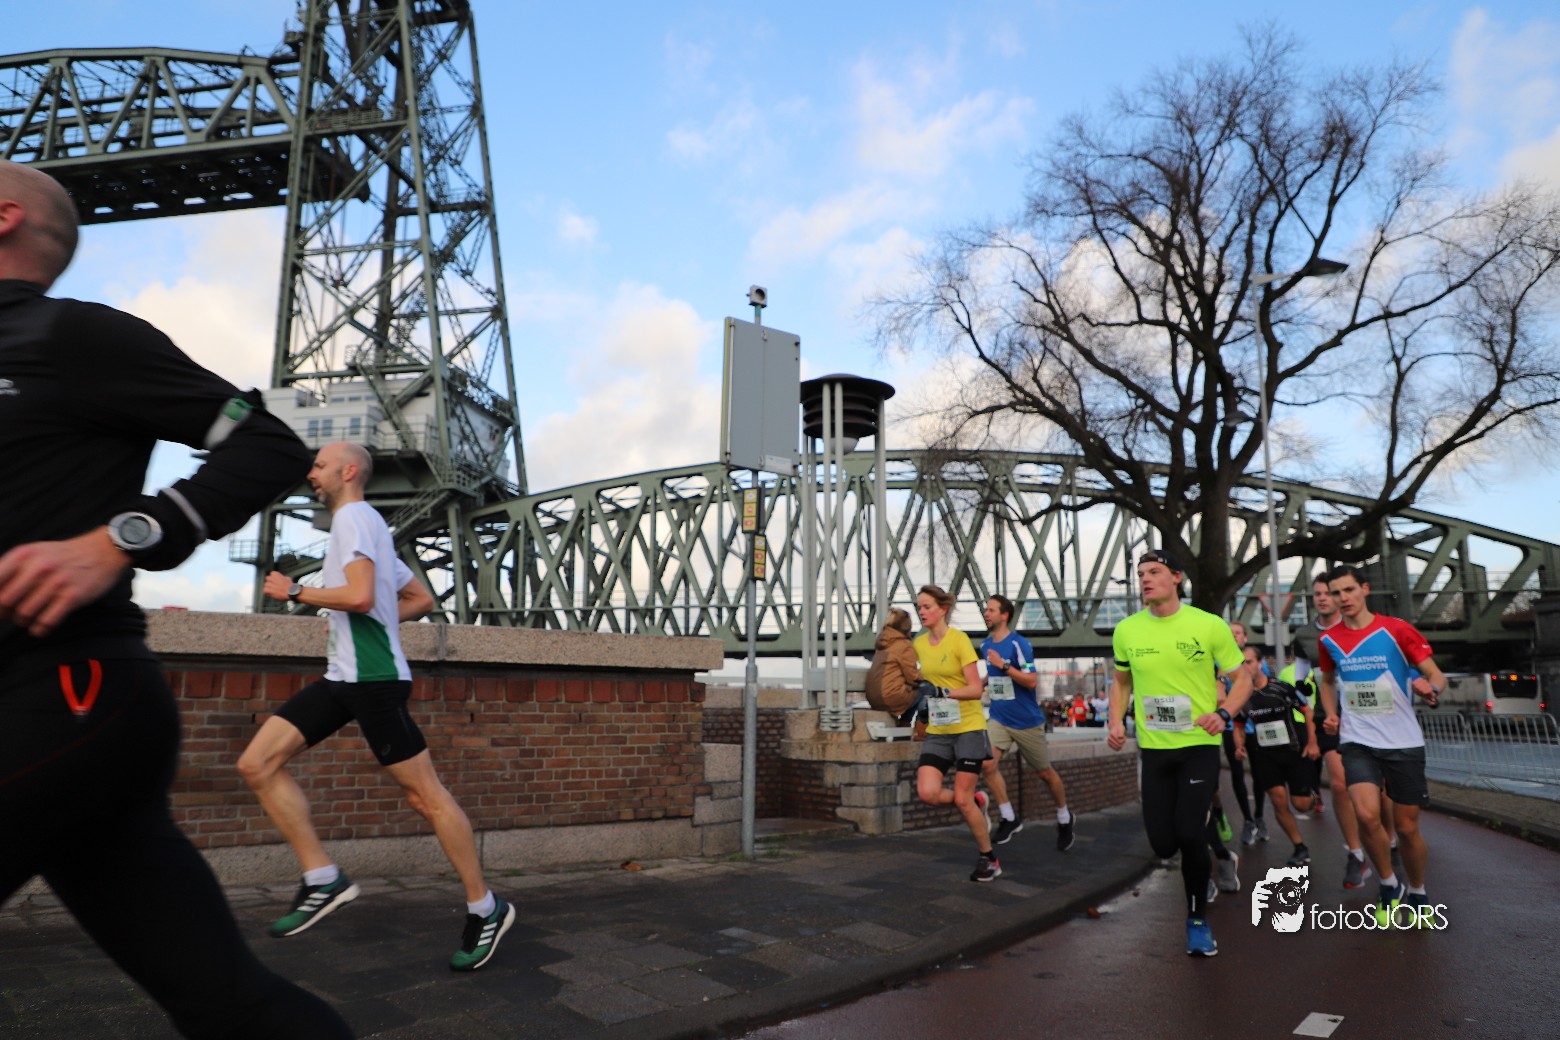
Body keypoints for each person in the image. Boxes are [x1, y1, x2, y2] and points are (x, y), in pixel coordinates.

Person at [0, 161, 352, 1038]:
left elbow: (267, 442)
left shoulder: (71, 338)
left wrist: (121, 538)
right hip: (69, 727)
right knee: (227, 1003)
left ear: (5, 217)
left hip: (63, 694)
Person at [237, 442, 514, 971]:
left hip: (374, 681)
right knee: (257, 763)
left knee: (426, 797)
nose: (311, 473)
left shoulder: (354, 519)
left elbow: (361, 598)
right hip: (344, 677)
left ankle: (487, 907)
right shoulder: (371, 527)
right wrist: (377, 623)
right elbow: (420, 599)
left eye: (320, 465)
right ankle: (323, 878)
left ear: (347, 471)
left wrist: (296, 591)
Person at [1107, 549, 1251, 957]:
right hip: (1154, 749)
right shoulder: (1127, 630)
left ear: (1176, 578)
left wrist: (1223, 714)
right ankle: (1219, 856)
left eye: (1154, 572)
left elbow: (1242, 679)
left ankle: (1197, 921)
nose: (1145, 579)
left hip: (1198, 745)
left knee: (1189, 833)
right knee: (1163, 845)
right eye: (1140, 573)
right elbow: (1121, 682)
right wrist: (1115, 721)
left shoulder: (1208, 625)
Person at [1316, 564, 1447, 925]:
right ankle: (1389, 884)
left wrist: (1430, 688)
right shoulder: (1329, 640)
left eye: (1348, 590)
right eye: (1336, 592)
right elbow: (1327, 681)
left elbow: (1435, 674)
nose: (1342, 598)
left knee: (1406, 828)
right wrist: (1331, 713)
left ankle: (1417, 891)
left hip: (1403, 741)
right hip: (1357, 739)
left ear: (1365, 589)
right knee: (1366, 815)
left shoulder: (1396, 629)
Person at [1292, 573, 1379, 888]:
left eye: (1328, 593)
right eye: (1317, 594)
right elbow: (1301, 677)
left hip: (1369, 715)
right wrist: (1302, 696)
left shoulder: (1361, 628)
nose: (1323, 598)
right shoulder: (1305, 635)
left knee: (1381, 792)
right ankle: (1355, 854)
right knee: (1340, 784)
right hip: (1329, 717)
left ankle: (1390, 843)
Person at [911, 584, 999, 881]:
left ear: (943, 609)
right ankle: (979, 801)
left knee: (962, 799)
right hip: (939, 728)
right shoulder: (919, 644)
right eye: (919, 607)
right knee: (927, 792)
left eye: (927, 606)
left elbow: (975, 689)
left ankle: (989, 859)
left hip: (968, 729)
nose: (922, 612)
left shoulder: (959, 640)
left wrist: (943, 691)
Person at [977, 595, 1074, 850]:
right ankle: (1009, 817)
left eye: (991, 610)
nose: (986, 614)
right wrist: (981, 682)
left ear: (1004, 615)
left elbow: (1031, 681)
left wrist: (1004, 666)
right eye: (986, 610)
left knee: (1044, 773)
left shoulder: (1019, 645)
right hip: (999, 717)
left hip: (1026, 721)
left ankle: (1064, 817)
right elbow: (993, 673)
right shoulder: (985, 645)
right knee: (987, 764)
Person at [1239, 646, 1319, 868]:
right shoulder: (1241, 696)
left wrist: (1312, 741)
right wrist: (1239, 745)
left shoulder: (1281, 688)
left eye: (1249, 662)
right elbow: (1237, 724)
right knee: (1278, 799)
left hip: (1294, 751)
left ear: (1259, 663)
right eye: (1241, 664)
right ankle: (1299, 846)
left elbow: (1307, 711)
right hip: (1266, 756)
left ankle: (1312, 795)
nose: (1245, 667)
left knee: (1301, 804)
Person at [1225, 620, 1268, 846]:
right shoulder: (1220, 662)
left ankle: (1259, 815)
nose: (1234, 636)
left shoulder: (1257, 662)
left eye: (1238, 633)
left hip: (1256, 727)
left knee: (1260, 775)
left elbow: (1266, 688)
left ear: (1245, 637)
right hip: (1232, 727)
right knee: (1237, 773)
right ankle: (1248, 820)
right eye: (1230, 633)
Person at [865, 607, 926, 729]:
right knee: (926, 690)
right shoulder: (904, 645)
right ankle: (919, 728)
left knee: (912, 691)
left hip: (874, 699)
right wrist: (927, 676)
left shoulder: (883, 642)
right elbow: (913, 678)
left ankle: (904, 725)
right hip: (891, 698)